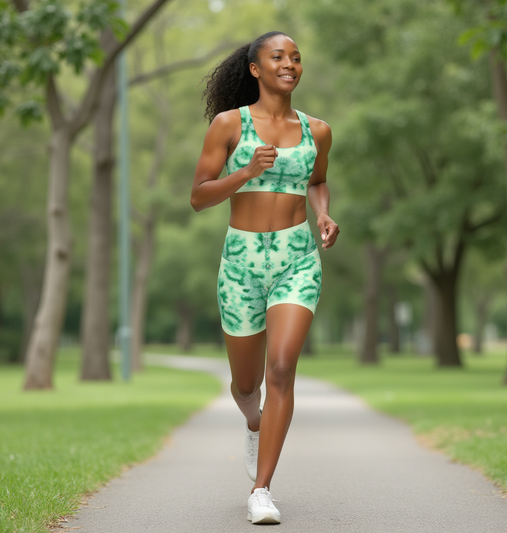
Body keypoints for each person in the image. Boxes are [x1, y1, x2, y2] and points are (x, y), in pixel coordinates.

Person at [191, 30, 339, 525]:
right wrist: (245, 172)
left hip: (297, 258)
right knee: (246, 383)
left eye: (296, 57)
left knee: (281, 369)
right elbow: (199, 195)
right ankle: (254, 421)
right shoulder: (228, 125)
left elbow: (316, 180)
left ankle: (262, 489)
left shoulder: (317, 130)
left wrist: (323, 213)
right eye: (278, 57)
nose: (290, 64)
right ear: (255, 69)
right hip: (241, 262)